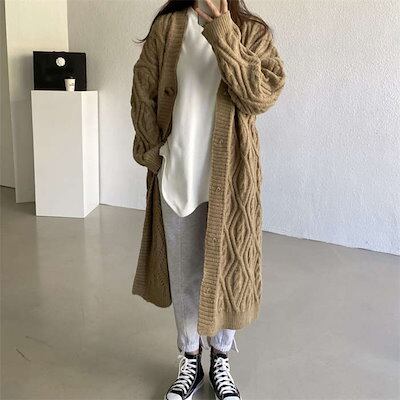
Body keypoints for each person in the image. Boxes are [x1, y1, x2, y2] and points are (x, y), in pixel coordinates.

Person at [130, 0, 286, 399]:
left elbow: (260, 95)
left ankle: (220, 359)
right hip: (178, 175)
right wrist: (153, 153)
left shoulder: (251, 31)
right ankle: (190, 360)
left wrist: (223, 31)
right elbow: (142, 91)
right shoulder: (167, 27)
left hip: (230, 179)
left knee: (228, 270)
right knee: (184, 275)